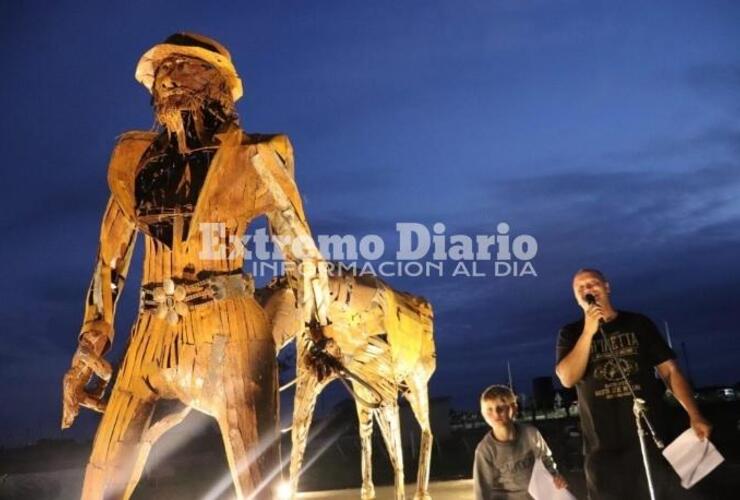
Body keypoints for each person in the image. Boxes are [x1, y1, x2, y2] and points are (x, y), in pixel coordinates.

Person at [61, 33, 333, 499]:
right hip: (149, 335)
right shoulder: (132, 163)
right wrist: (93, 336)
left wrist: (320, 329)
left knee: (257, 479)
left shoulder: (256, 157)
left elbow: (301, 250)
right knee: (102, 476)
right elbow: (109, 259)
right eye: (162, 71)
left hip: (229, 331)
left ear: (219, 84)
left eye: (185, 67)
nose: (167, 78)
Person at [556, 268, 711, 500]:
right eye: (581, 288)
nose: (588, 290)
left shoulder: (638, 323)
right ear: (576, 297)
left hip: (648, 439)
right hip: (602, 448)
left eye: (593, 283)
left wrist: (694, 413)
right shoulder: (570, 333)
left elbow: (670, 371)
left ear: (607, 287)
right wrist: (589, 332)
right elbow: (567, 378)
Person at [473, 385, 568, 500]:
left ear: (514, 408)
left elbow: (546, 459)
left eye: (501, 407)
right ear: (483, 414)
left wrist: (555, 476)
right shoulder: (485, 450)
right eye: (489, 409)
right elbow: (482, 489)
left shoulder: (531, 434)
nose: (496, 413)